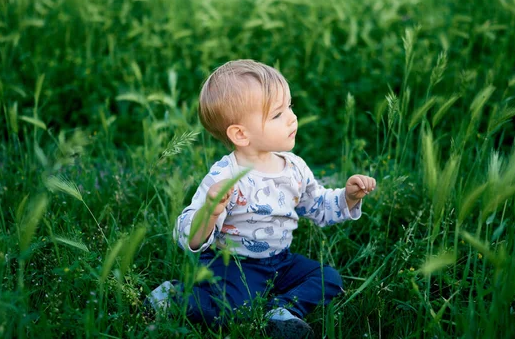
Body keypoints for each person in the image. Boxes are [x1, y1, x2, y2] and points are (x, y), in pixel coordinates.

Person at [147, 60, 377, 338]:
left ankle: (280, 312)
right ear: (241, 134)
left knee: (328, 278)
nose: (292, 118)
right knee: (231, 312)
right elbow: (188, 237)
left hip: (280, 260)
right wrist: (210, 209)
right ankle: (175, 296)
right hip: (233, 263)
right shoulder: (226, 176)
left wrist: (347, 197)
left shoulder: (294, 167)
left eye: (290, 107)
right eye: (278, 114)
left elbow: (317, 207)